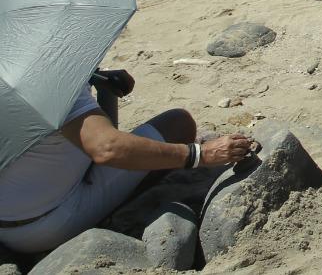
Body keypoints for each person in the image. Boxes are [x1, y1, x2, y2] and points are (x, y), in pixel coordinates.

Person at [0, 69, 255, 255]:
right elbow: (107, 148)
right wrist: (200, 155)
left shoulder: (12, 74)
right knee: (178, 124)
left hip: (12, 213)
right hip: (47, 222)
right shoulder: (52, 81)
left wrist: (96, 80)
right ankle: (115, 211)